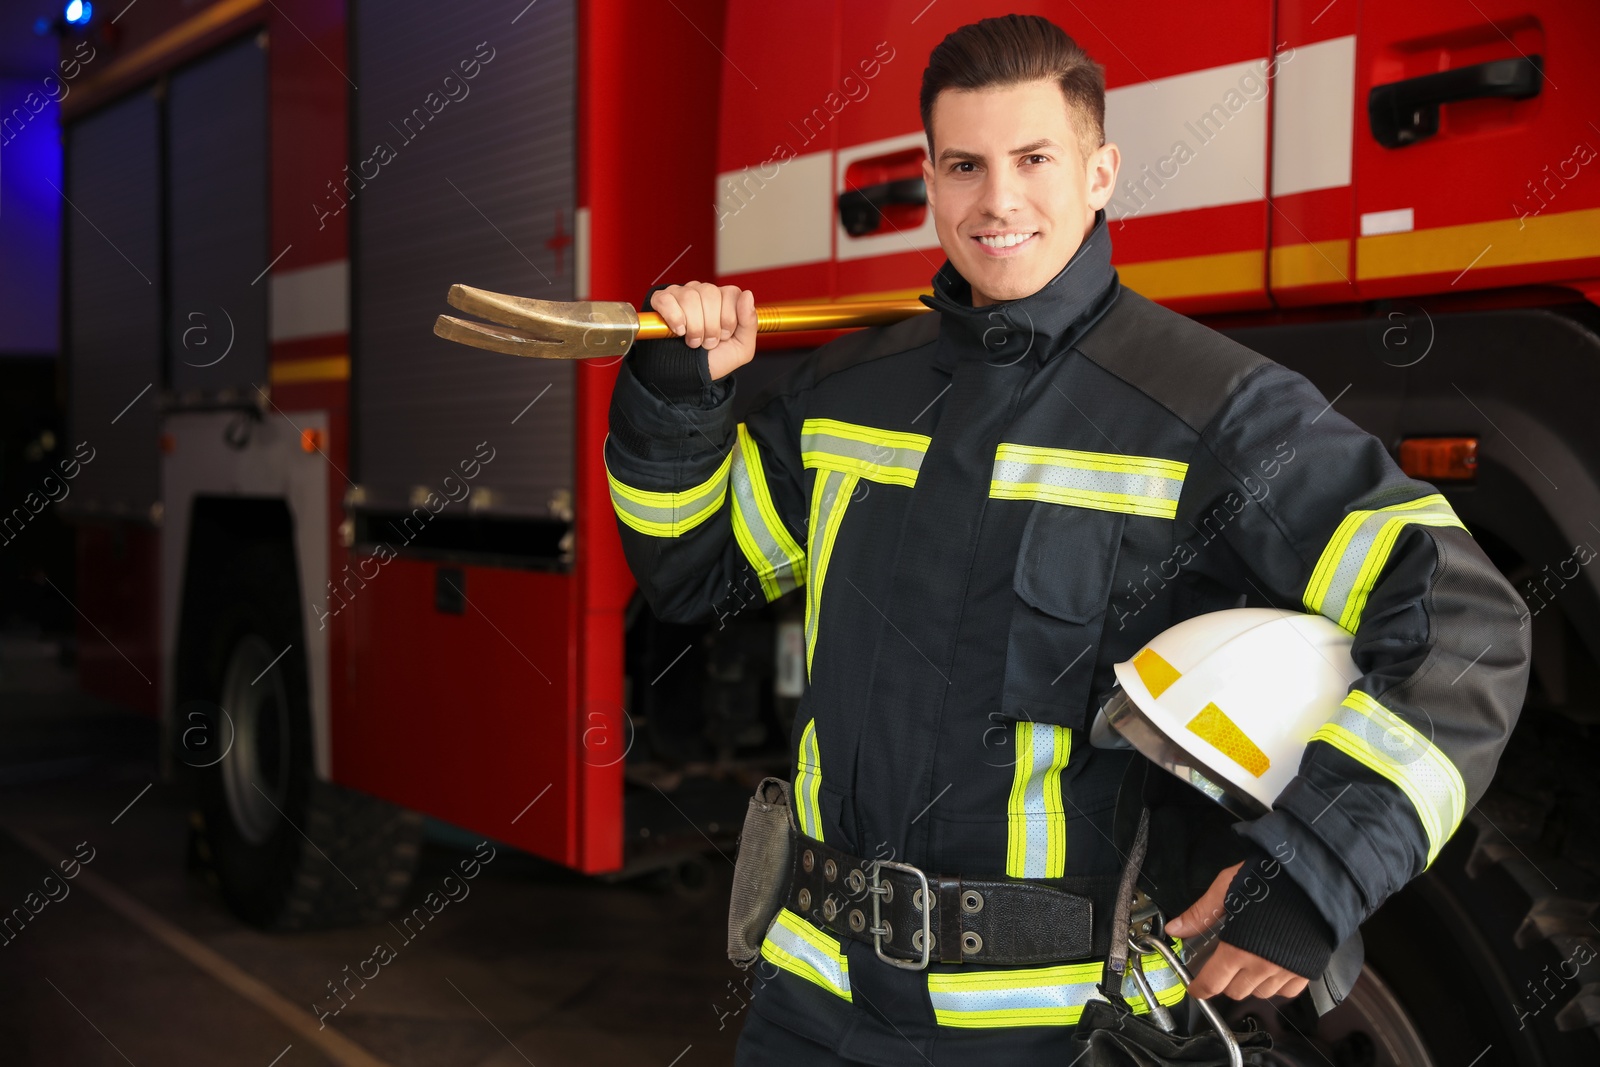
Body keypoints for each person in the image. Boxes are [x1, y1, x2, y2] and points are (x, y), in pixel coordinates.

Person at [604, 13, 1530, 1065]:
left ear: (1099, 172)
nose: (997, 201)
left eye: (1033, 159)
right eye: (964, 165)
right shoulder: (846, 395)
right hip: (810, 1006)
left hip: (1056, 1029)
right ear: (930, 178)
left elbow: (1463, 623)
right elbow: (690, 571)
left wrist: (1311, 875)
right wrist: (675, 401)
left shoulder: (1211, 408)